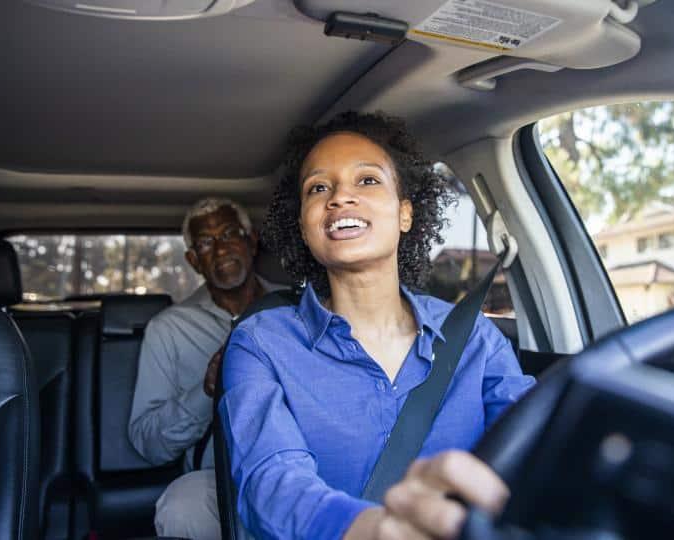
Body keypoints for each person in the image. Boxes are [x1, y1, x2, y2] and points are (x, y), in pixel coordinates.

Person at [219, 111, 535, 540]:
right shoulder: (260, 344)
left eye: (367, 181)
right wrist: (370, 529)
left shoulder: (475, 338)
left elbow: (537, 442)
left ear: (405, 213)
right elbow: (270, 479)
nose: (340, 198)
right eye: (318, 188)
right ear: (304, 227)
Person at [129, 197, 267, 540]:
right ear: (194, 260)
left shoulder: (299, 307)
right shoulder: (169, 329)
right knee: (182, 504)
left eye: (230, 233)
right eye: (206, 242)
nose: (220, 249)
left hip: (307, 463)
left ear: (252, 241)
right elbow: (148, 442)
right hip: (222, 478)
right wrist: (206, 392)